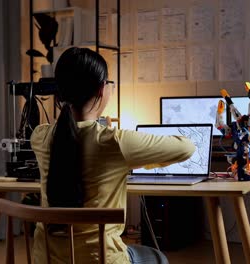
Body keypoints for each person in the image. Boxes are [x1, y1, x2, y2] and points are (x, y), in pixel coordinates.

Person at [31, 47, 195, 264]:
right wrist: (140, 160)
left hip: (48, 259)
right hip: (100, 259)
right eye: (110, 83)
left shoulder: (40, 136)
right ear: (101, 90)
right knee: (157, 257)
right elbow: (186, 147)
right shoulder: (114, 141)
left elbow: (70, 147)